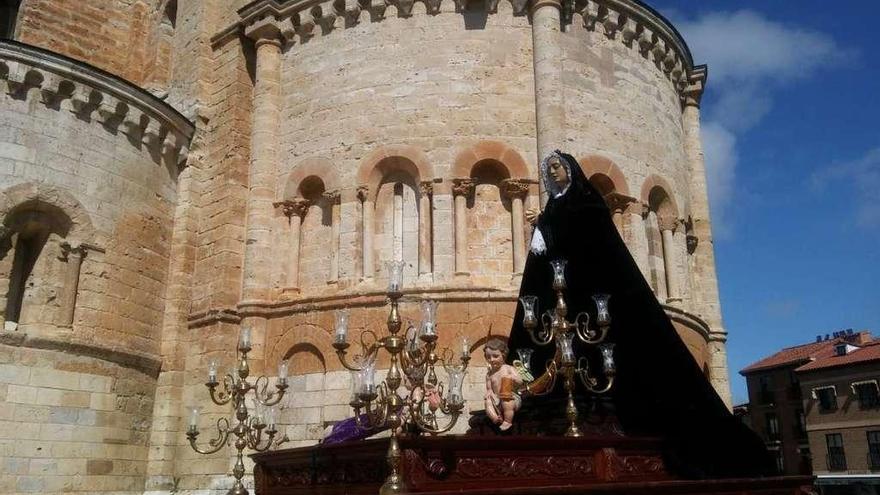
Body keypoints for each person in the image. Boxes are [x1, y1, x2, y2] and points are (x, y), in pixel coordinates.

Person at [506, 150, 774, 479]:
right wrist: (542, 227)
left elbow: (593, 244)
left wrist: (551, 228)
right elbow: (543, 254)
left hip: (589, 294)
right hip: (560, 298)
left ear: (571, 171)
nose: (553, 173)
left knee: (607, 353)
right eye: (549, 170)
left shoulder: (587, 204)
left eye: (558, 167)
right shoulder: (551, 209)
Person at [483, 338, 524, 431]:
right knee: (487, 401)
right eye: (488, 357)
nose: (492, 359)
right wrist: (489, 393)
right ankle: (495, 417)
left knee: (507, 401)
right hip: (497, 399)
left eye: (495, 356)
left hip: (512, 398)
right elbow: (489, 388)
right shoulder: (489, 374)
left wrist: (512, 377)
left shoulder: (508, 368)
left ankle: (508, 421)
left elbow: (520, 381)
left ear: (504, 355)